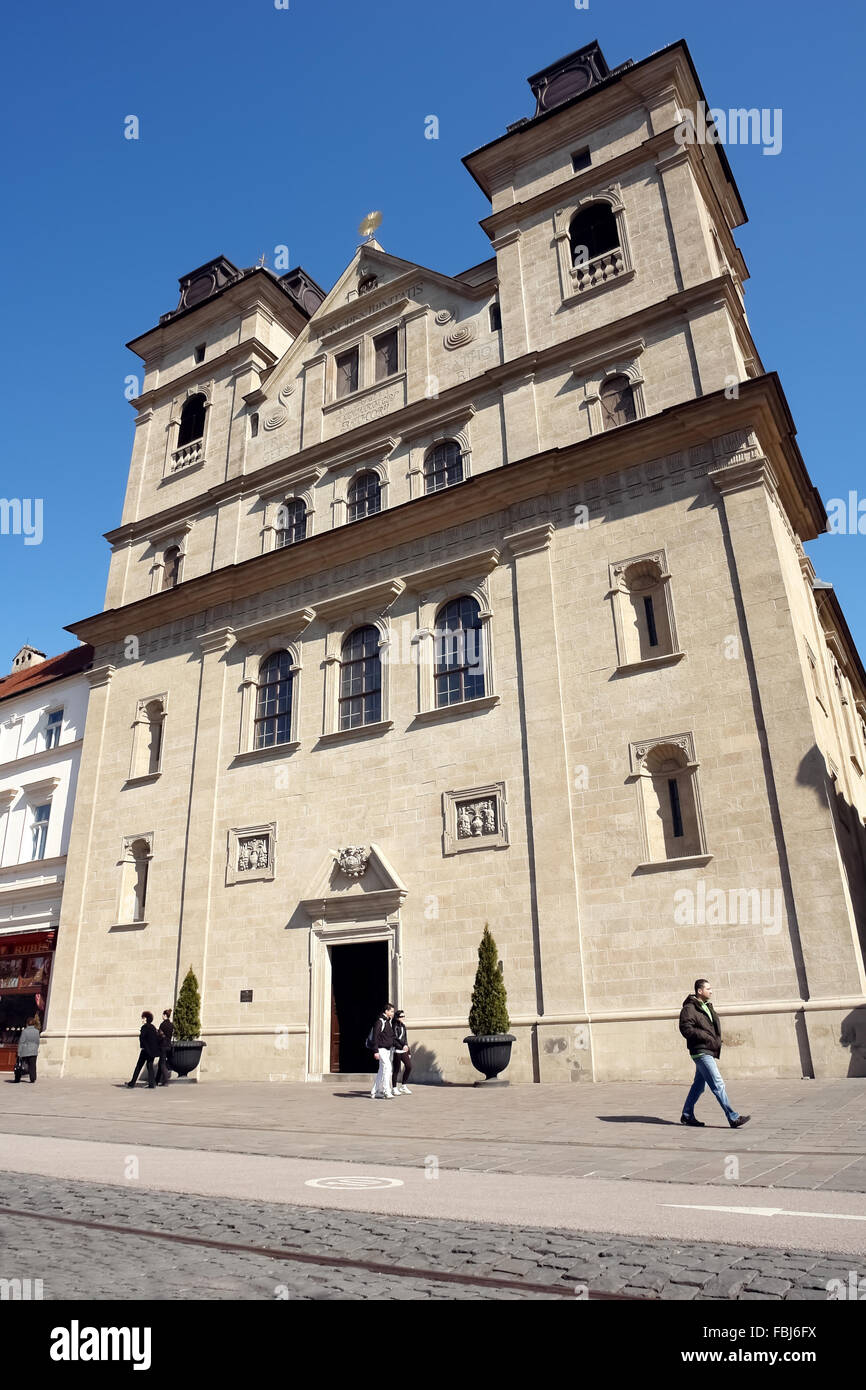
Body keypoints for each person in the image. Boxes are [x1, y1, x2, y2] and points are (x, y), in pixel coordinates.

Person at [679, 979, 750, 1129]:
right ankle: (733, 1117)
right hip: (700, 1051)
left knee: (698, 1086)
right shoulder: (689, 1008)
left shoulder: (706, 1006)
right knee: (718, 1083)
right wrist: (705, 1037)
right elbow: (686, 1028)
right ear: (699, 991)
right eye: (708, 988)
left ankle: (687, 1114)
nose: (711, 991)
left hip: (707, 1049)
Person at [126, 1011, 161, 1089]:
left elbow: (142, 1039)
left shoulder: (144, 1027)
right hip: (152, 1051)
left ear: (146, 1018)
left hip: (146, 1051)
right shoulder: (153, 1027)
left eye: (143, 1018)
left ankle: (132, 1083)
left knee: (138, 1066)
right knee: (150, 1066)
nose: (142, 1019)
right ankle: (152, 1084)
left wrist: (144, 1047)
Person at [370, 1004, 396, 1099]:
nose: (393, 1013)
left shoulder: (388, 1021)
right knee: (388, 1069)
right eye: (392, 1011)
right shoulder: (380, 1021)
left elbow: (390, 1036)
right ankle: (386, 1091)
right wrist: (375, 1051)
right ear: (386, 1011)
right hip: (381, 1049)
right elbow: (375, 1037)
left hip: (387, 1050)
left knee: (381, 1071)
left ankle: (375, 1091)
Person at [391, 1009, 412, 1094]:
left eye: (404, 1016)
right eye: (401, 1016)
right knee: (396, 1070)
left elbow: (405, 1039)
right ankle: (394, 1088)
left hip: (403, 1050)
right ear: (397, 1017)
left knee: (409, 1066)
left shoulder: (403, 1026)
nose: (403, 1018)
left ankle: (403, 1086)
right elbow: (395, 1039)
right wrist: (402, 1046)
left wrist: (408, 1050)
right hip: (396, 1050)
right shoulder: (394, 1025)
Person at [14, 1016, 41, 1083]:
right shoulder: (37, 1031)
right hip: (34, 1050)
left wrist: (19, 1052)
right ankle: (33, 1078)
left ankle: (18, 1077)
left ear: (27, 1023)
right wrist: (36, 1048)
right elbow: (37, 1041)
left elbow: (21, 1042)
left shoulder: (25, 1031)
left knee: (20, 1064)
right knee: (33, 1065)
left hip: (25, 1050)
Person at [156, 1008, 174, 1086]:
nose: (162, 1016)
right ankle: (156, 1080)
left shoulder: (162, 1024)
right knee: (161, 1062)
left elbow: (159, 1035)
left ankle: (166, 1080)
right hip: (169, 1045)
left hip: (163, 1045)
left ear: (165, 1015)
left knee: (162, 1064)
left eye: (162, 1015)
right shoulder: (171, 1025)